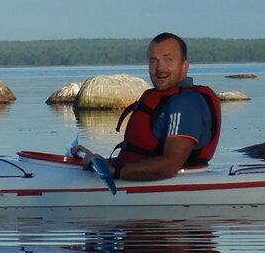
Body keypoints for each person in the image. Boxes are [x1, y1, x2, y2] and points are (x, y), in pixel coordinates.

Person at [77, 32, 222, 182]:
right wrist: (104, 163)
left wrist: (115, 171)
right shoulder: (167, 99)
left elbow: (170, 166)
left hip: (171, 185)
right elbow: (142, 157)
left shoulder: (185, 104)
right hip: (137, 176)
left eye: (168, 59)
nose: (160, 68)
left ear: (184, 65)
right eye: (154, 61)